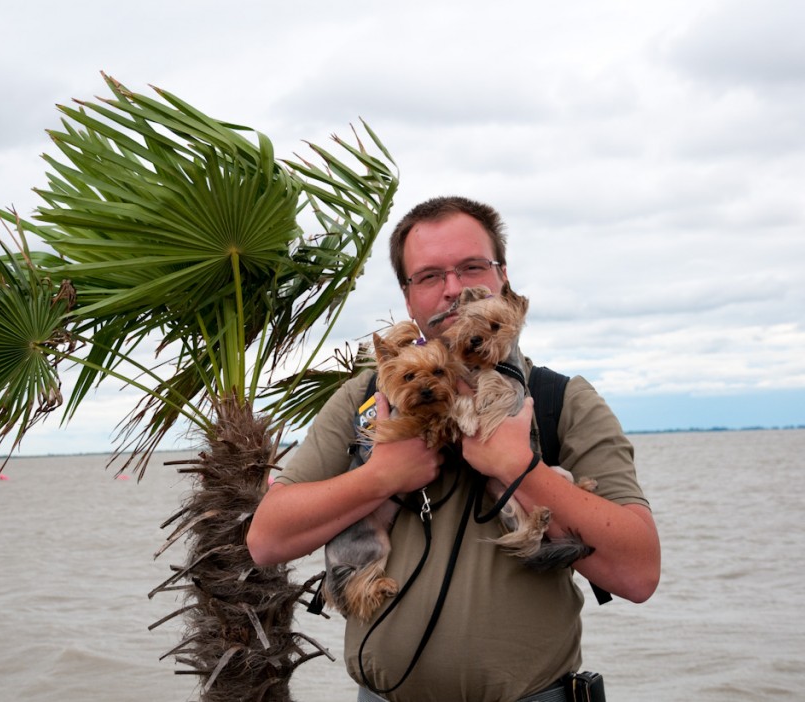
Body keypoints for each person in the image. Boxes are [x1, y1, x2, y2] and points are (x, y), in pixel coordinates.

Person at [247, 196, 661, 702]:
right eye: (428, 276)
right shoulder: (362, 400)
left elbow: (638, 574)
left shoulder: (559, 400)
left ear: (503, 276)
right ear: (407, 297)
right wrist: (381, 476)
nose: (453, 289)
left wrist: (518, 467)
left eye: (471, 267)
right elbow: (266, 541)